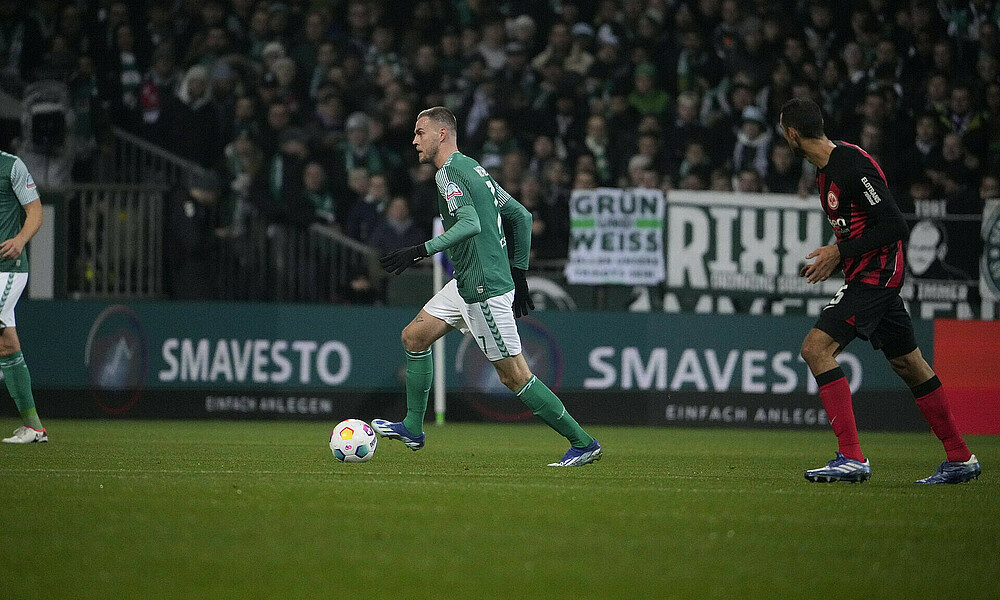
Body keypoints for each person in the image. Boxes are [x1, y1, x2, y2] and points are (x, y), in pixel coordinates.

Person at [373, 107, 601, 467]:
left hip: (482, 289)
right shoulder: (475, 168)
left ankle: (583, 442)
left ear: (442, 134)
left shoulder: (448, 174)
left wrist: (420, 250)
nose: (414, 140)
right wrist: (520, 274)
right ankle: (413, 427)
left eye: (420, 132)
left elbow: (470, 223)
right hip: (465, 282)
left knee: (514, 376)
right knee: (414, 337)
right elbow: (520, 216)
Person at [778, 98, 979, 484]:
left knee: (815, 349)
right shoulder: (824, 172)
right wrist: (838, 255)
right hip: (866, 274)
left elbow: (895, 225)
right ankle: (960, 458)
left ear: (792, 133)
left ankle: (851, 457)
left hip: (877, 275)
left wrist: (839, 252)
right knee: (908, 363)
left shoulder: (851, 165)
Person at [0, 151, 46, 443]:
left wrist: (20, 240)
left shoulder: (11, 166)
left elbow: (36, 211)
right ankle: (34, 427)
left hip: (7, 269)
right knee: (6, 343)